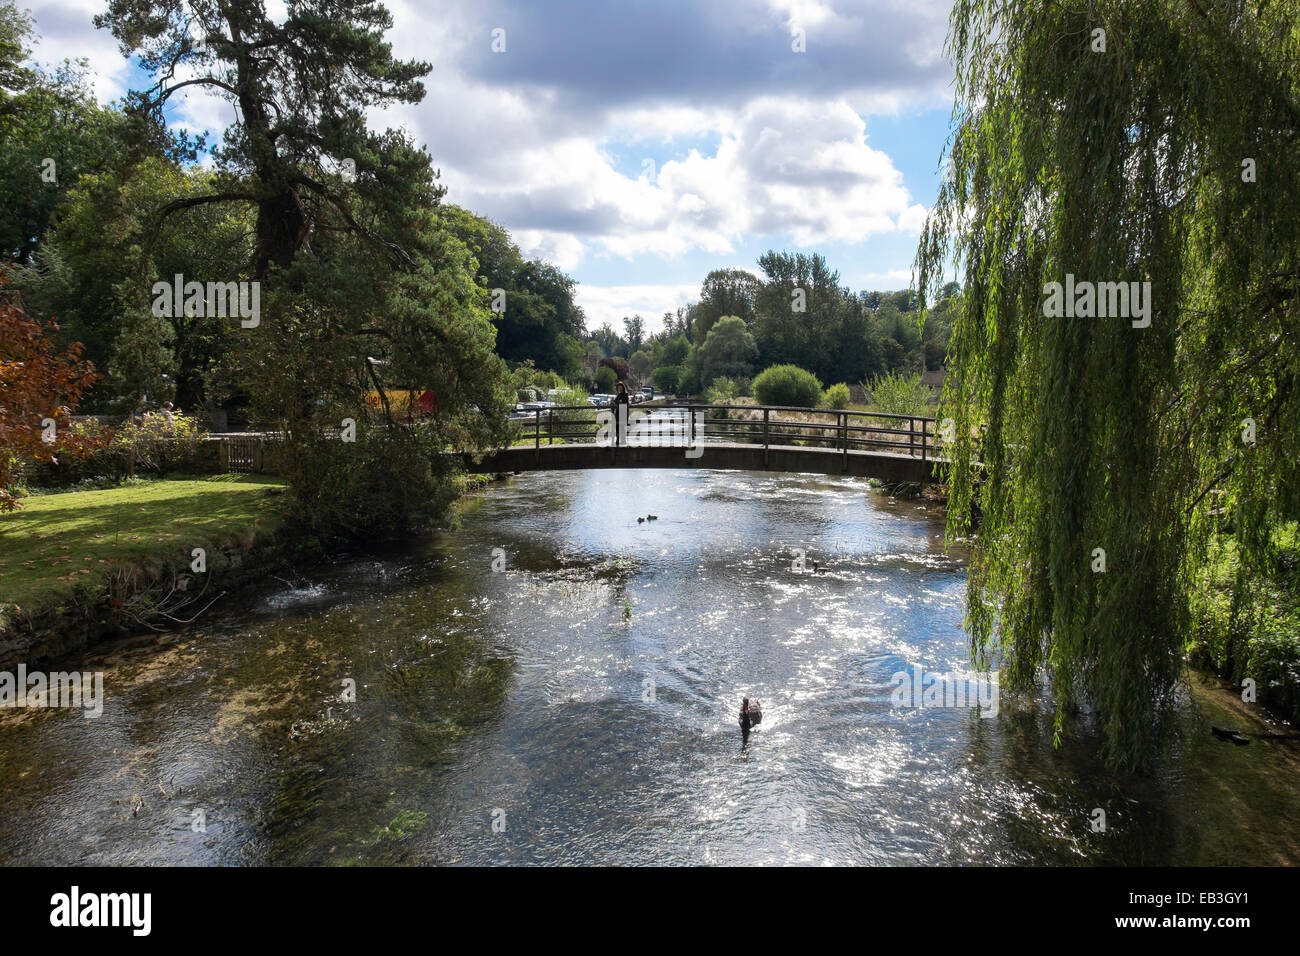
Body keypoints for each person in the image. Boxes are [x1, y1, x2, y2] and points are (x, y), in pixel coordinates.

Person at [613, 381, 631, 446]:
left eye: (620, 387)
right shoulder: (619, 394)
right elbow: (616, 401)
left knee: (622, 426)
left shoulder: (625, 394)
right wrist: (618, 401)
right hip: (618, 412)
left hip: (623, 412)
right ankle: (618, 439)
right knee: (617, 426)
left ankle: (623, 440)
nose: (619, 388)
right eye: (618, 387)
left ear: (623, 387)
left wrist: (618, 401)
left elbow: (623, 402)